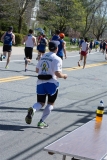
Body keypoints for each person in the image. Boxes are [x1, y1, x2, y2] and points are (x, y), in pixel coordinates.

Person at [25, 41, 67, 128]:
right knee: (50, 103)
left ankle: (33, 109)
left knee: (40, 102)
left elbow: (37, 70)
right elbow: (57, 73)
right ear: (56, 49)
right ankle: (41, 122)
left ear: (49, 48)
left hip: (40, 82)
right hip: (51, 83)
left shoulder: (43, 57)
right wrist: (64, 76)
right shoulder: (57, 58)